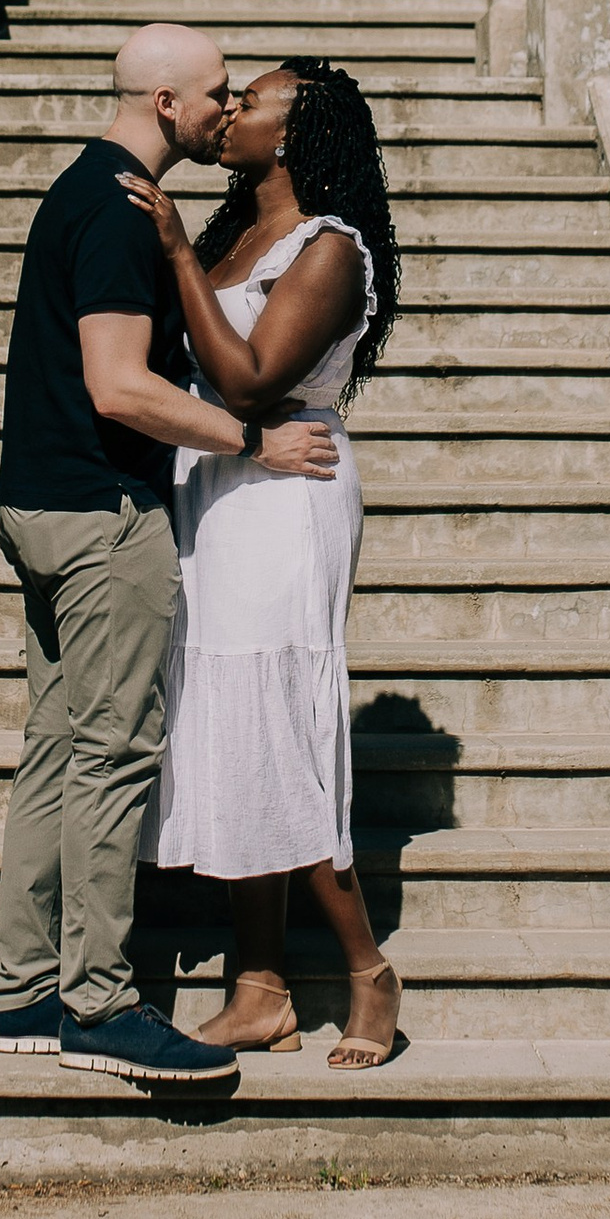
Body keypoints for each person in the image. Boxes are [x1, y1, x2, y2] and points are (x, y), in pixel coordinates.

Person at [0, 19, 338, 1086]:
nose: (227, 109)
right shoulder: (117, 208)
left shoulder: (83, 189)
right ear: (164, 104)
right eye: (217, 93)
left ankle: (24, 992)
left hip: (39, 505)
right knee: (112, 756)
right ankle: (95, 1000)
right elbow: (118, 384)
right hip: (100, 518)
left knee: (58, 747)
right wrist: (252, 439)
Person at [121, 58, 405, 1071]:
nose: (230, 109)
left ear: (291, 136)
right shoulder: (235, 231)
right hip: (220, 486)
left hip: (290, 490)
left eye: (252, 100)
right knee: (231, 720)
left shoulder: (328, 250)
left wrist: (172, 252)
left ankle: (368, 970)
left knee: (279, 720)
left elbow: (246, 378)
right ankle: (259, 986)